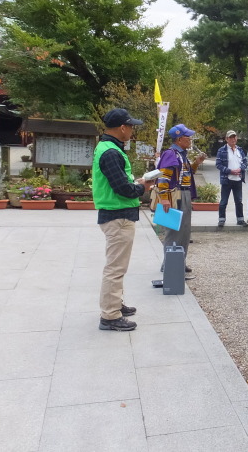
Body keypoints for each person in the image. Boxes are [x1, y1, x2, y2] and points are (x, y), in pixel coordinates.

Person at [92, 108, 154, 331]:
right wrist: (142, 187)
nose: (132, 131)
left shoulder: (108, 148)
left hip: (116, 214)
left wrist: (135, 182)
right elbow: (122, 189)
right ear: (122, 127)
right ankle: (109, 315)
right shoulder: (111, 152)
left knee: (117, 265)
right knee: (115, 268)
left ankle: (115, 303)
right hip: (117, 215)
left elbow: (118, 181)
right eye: (131, 127)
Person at [157, 124, 208, 277]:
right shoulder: (170, 154)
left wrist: (196, 163)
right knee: (174, 231)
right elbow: (163, 178)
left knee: (184, 232)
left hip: (183, 194)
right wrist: (164, 199)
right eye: (188, 136)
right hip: (175, 195)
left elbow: (186, 173)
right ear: (179, 139)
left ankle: (179, 262)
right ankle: (170, 265)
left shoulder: (181, 154)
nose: (190, 139)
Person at [216, 130, 248, 227]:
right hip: (227, 179)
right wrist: (229, 171)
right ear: (226, 139)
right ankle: (221, 219)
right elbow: (218, 165)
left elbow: (245, 162)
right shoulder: (221, 150)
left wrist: (240, 168)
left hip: (238, 179)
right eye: (231, 137)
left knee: (239, 201)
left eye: (234, 137)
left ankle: (240, 219)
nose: (233, 139)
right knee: (224, 201)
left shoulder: (240, 150)